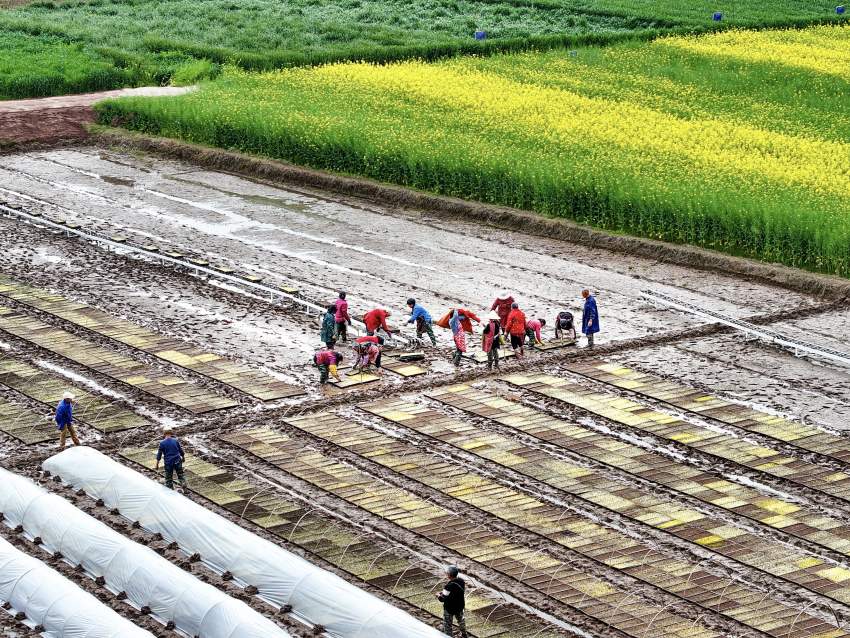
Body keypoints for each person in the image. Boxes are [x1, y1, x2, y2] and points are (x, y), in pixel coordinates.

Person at [436, 565, 468, 638]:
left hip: (449, 608)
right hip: (459, 606)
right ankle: (464, 634)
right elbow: (455, 592)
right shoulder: (461, 581)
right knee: (461, 621)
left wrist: (438, 594)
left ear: (449, 575)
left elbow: (442, 599)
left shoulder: (448, 586)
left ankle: (449, 636)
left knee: (447, 625)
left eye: (447, 573)